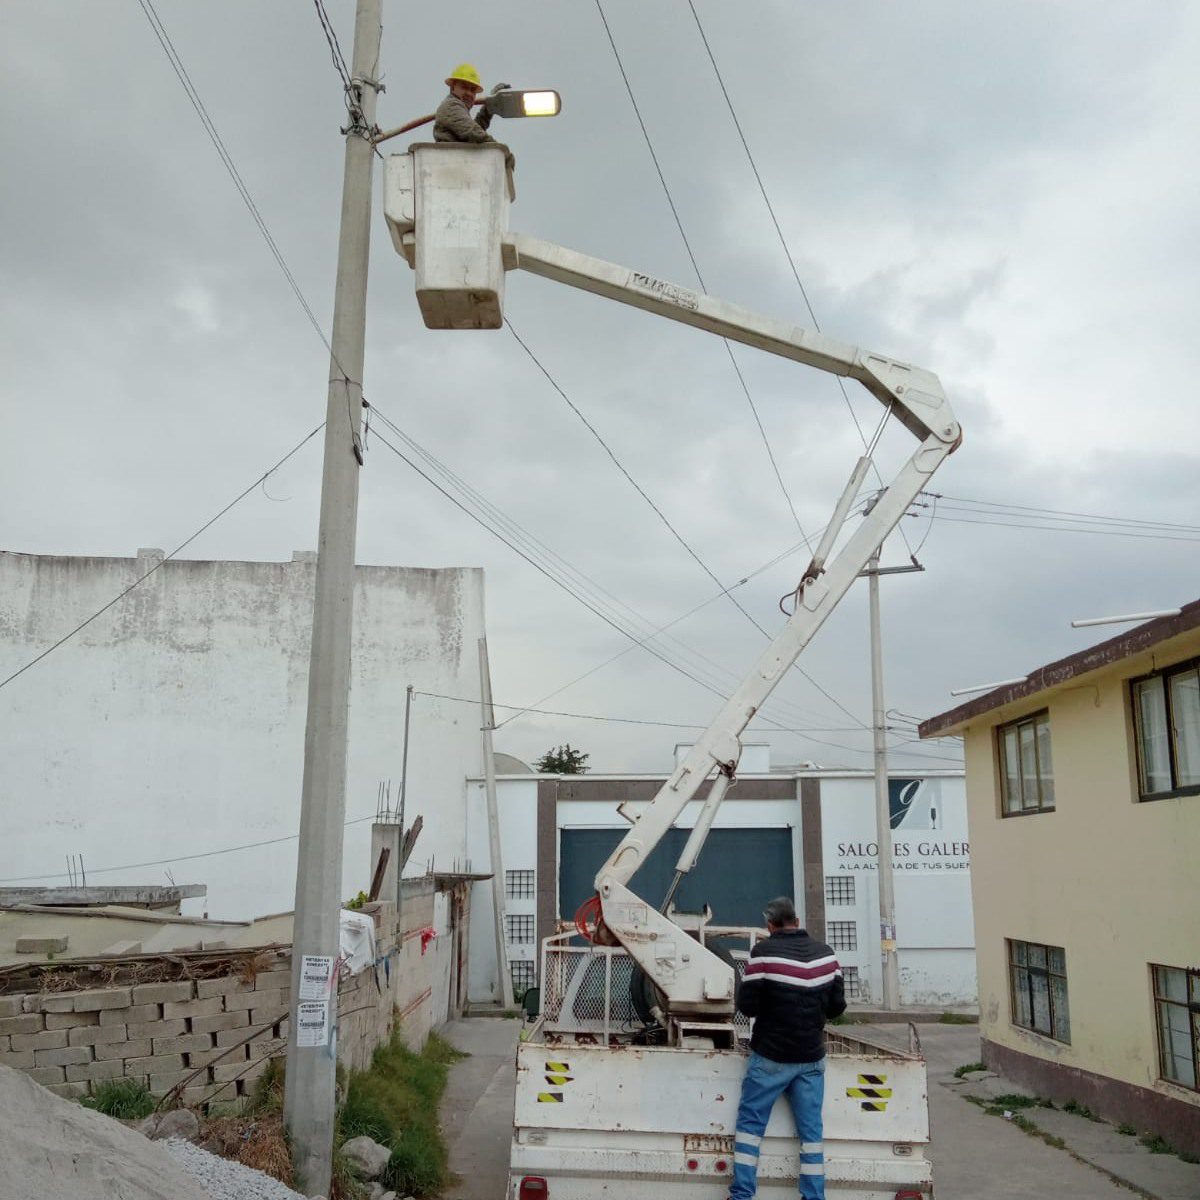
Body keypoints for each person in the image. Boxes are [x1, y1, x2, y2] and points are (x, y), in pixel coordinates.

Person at [730, 896, 845, 1200]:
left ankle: (742, 1195)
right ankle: (814, 1196)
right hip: (810, 1058)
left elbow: (748, 1006)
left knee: (750, 1128)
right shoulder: (827, 955)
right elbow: (836, 1008)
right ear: (796, 920)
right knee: (811, 1136)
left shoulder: (763, 953)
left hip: (771, 1057)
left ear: (770, 924)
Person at [433, 63, 515, 170]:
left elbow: (474, 130)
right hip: (451, 165)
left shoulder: (458, 108)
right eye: (464, 87)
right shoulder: (451, 106)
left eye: (472, 90)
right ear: (453, 87)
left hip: (456, 166)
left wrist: (490, 105)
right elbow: (474, 132)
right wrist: (501, 152)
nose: (469, 93)